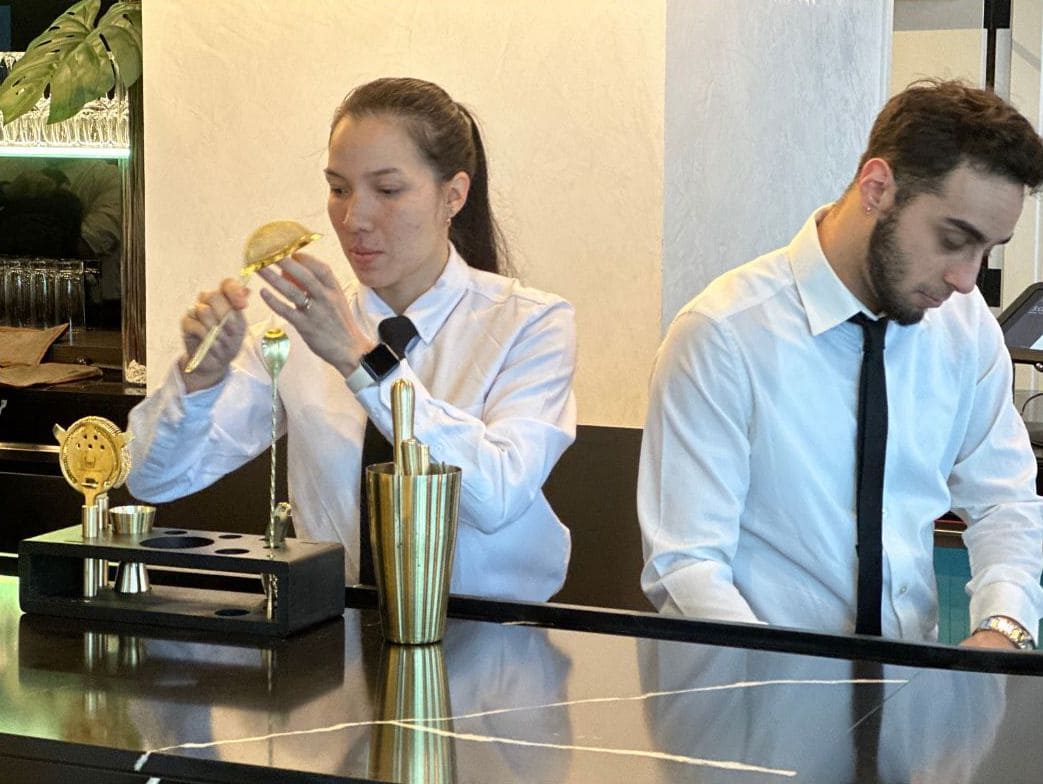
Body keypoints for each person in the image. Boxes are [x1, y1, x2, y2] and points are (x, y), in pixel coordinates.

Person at [127, 77, 576, 601]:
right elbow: (153, 481)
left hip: (496, 639)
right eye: (339, 188)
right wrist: (198, 380)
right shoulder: (294, 333)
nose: (353, 218)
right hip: (336, 631)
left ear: (453, 194)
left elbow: (494, 497)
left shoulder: (531, 322)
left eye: (387, 190)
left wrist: (361, 360)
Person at [638, 80, 1043, 648]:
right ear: (877, 187)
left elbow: (1004, 501)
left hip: (910, 694)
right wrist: (782, 691)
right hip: (757, 706)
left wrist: (1003, 631)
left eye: (987, 251)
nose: (967, 277)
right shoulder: (723, 335)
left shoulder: (965, 325)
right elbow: (686, 567)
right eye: (954, 239)